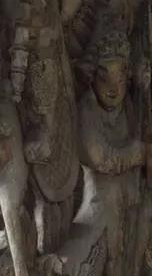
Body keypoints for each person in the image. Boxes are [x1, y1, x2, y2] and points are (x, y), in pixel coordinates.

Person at [78, 21, 152, 276]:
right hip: (100, 201)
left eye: (120, 78)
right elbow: (102, 157)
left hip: (132, 197)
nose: (114, 87)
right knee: (111, 253)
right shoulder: (87, 110)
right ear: (92, 75)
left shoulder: (129, 107)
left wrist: (145, 91)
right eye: (104, 76)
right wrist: (140, 153)